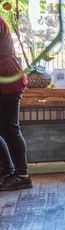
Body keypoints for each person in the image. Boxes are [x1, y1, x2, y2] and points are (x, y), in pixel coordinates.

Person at [0, 14, 28, 192]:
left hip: (9, 80)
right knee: (5, 128)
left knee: (10, 128)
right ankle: (11, 170)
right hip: (5, 80)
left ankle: (22, 175)